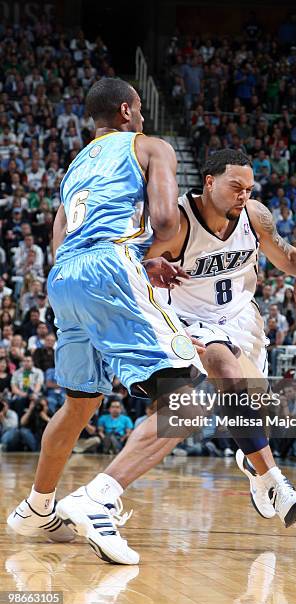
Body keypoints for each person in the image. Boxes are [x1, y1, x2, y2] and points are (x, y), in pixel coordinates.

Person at [8, 77, 206, 563]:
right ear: (125, 110)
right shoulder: (151, 147)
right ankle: (99, 497)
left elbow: (61, 233)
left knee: (80, 403)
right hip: (110, 267)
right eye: (139, 109)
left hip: (66, 277)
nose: (142, 116)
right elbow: (164, 222)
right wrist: (145, 259)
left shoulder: (75, 166)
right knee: (186, 402)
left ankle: (37, 507)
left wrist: (131, 262)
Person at [147, 149, 296, 529]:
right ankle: (276, 483)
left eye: (249, 188)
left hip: (242, 318)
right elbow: (136, 268)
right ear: (209, 182)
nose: (243, 195)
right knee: (225, 371)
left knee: (258, 412)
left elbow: (288, 257)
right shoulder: (177, 222)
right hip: (191, 319)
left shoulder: (254, 215)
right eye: (235, 186)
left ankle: (256, 471)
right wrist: (157, 317)